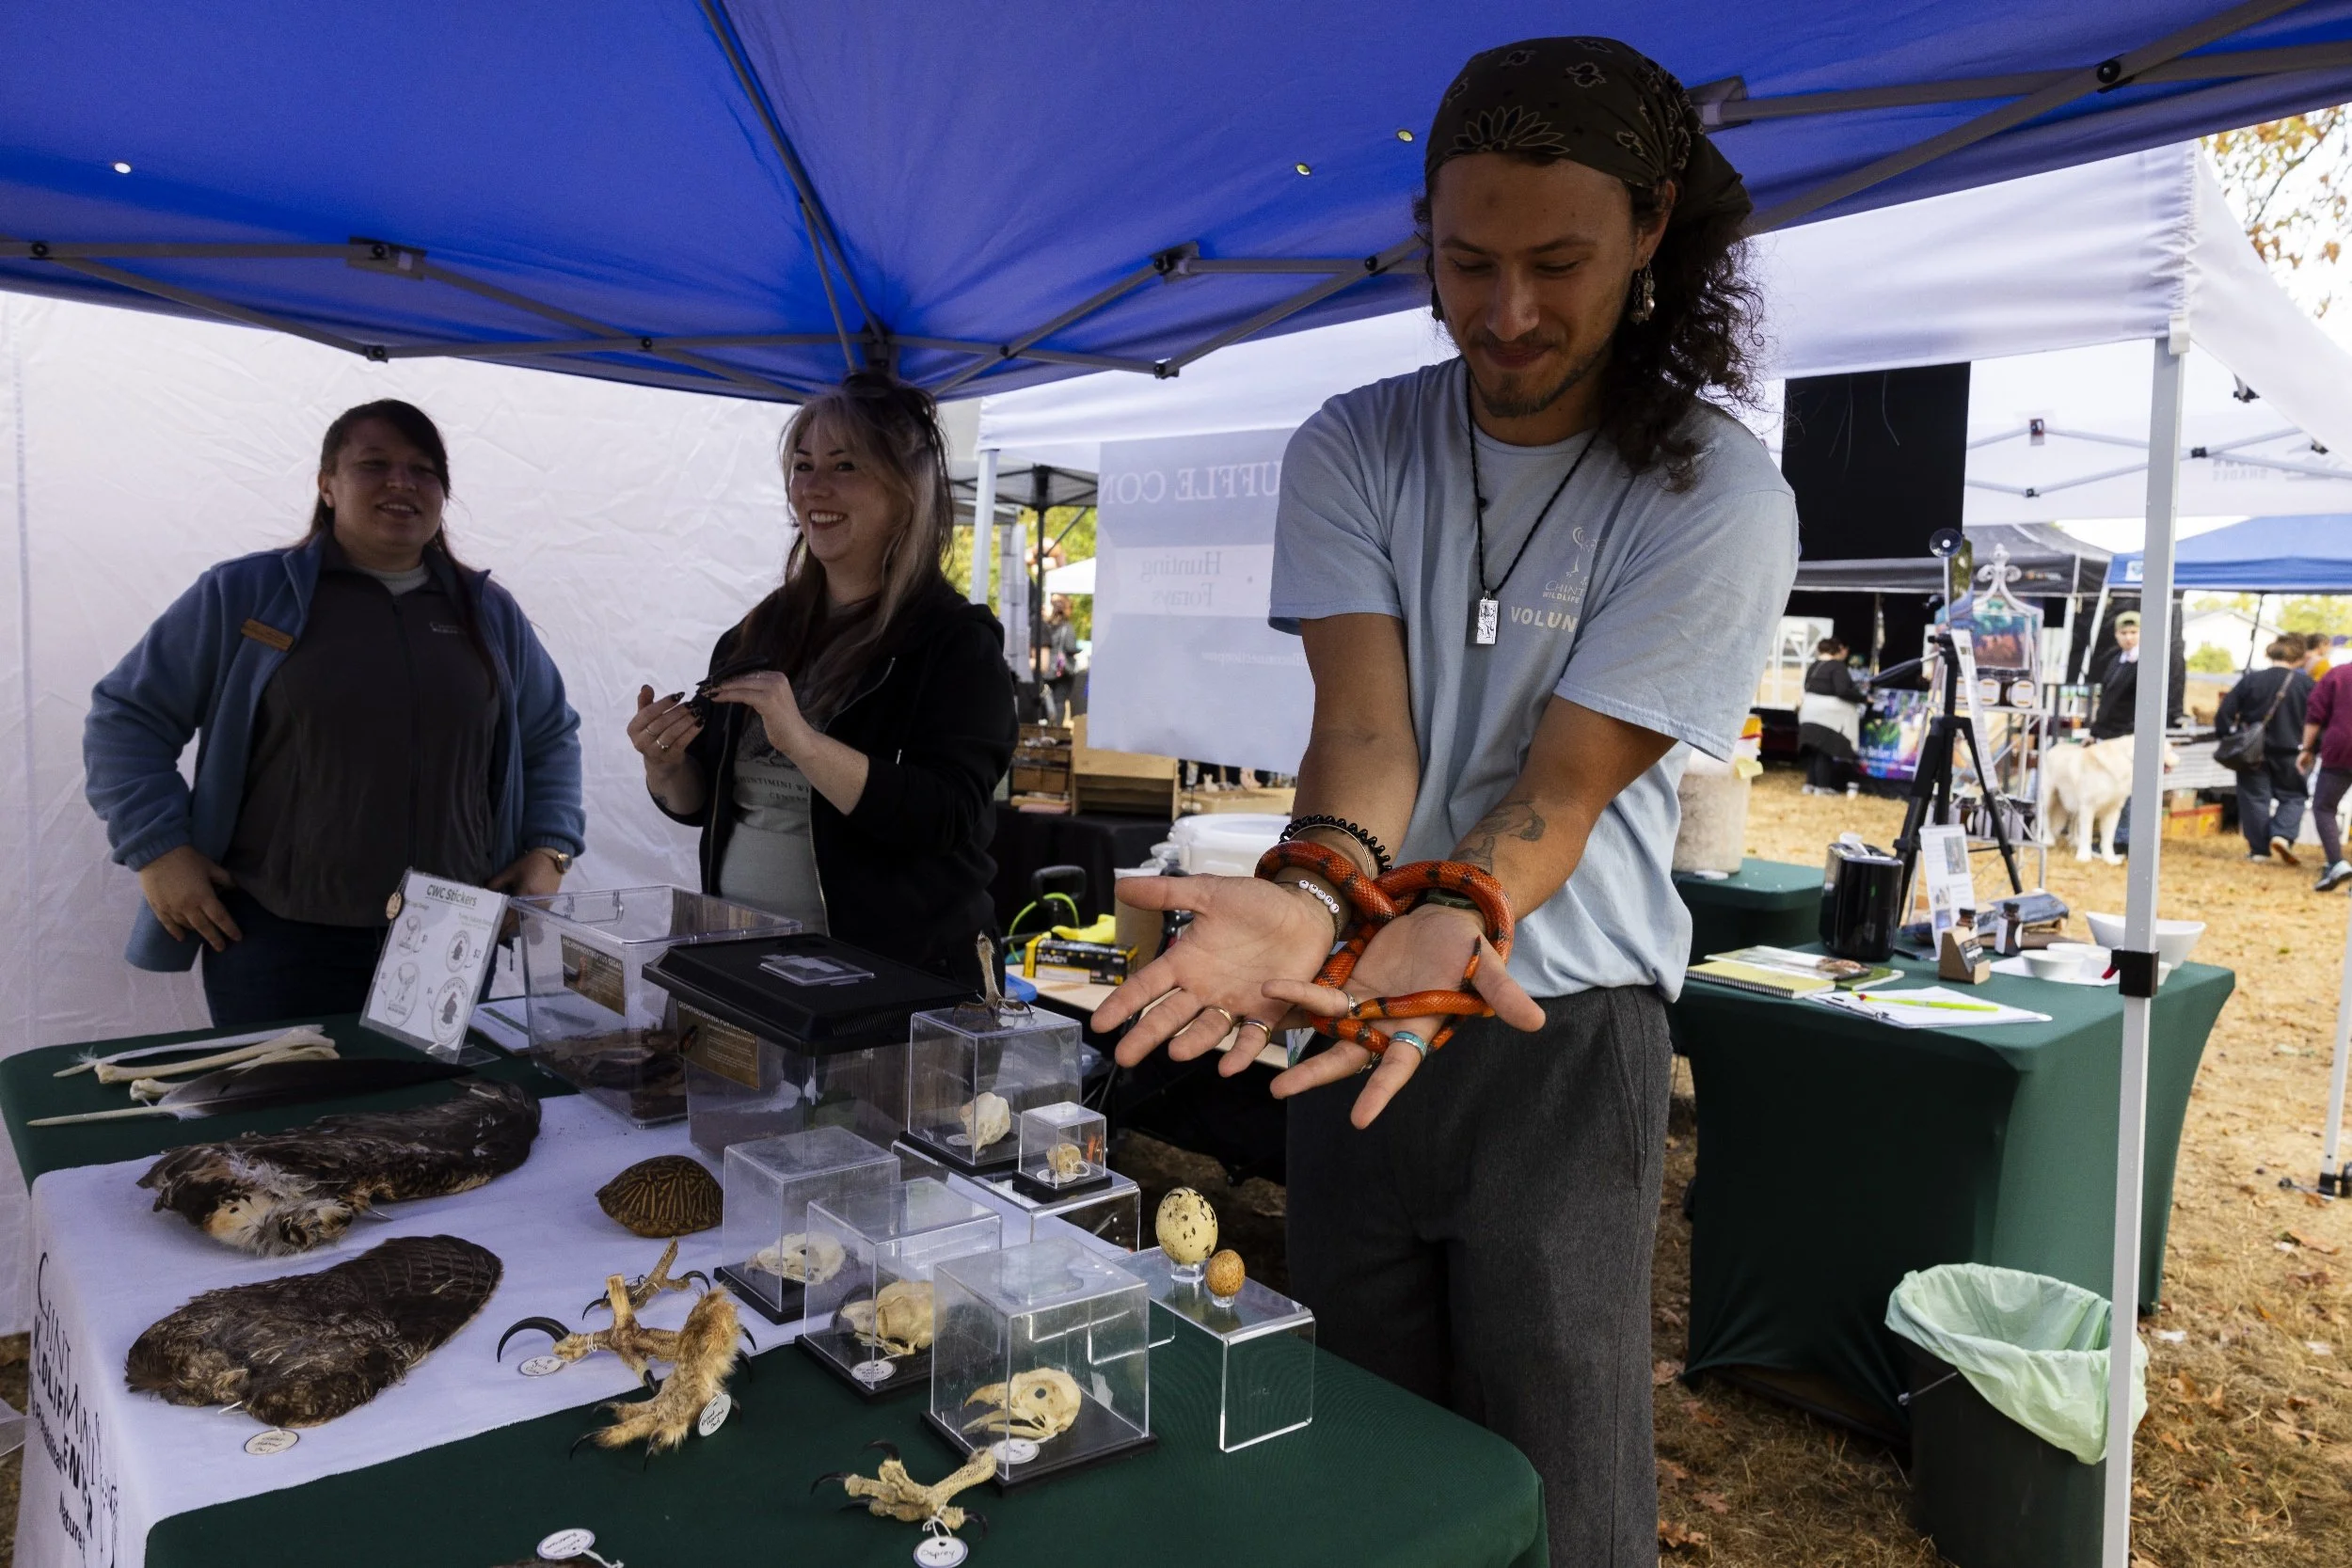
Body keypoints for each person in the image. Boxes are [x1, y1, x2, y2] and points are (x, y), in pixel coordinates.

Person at [1093, 39, 1796, 1562]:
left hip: (1567, 1030)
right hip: (1353, 1011)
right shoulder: (1357, 443)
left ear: (1656, 227)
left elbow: (1564, 788)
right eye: (1467, 261)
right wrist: (1312, 899)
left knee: (1558, 1463)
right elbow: (1365, 738)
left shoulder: (1715, 496)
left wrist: (1455, 910)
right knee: (1358, 1434)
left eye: (1559, 262)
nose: (1509, 312)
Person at [85, 400, 585, 1027]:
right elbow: (126, 716)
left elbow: (551, 738)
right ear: (326, 485)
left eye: (424, 470)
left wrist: (551, 848)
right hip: (278, 937)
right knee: (289, 1119)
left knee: (432, 1116)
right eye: (373, 464)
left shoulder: (486, 612)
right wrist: (158, 849)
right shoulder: (247, 594)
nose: (401, 482)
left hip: (447, 931)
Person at [628, 373, 1015, 984]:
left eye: (845, 465)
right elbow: (702, 804)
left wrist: (803, 742)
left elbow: (947, 816)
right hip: (748, 972)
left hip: (889, 986)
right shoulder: (757, 633)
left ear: (904, 491)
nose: (815, 487)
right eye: (803, 465)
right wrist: (668, 767)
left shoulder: (954, 641)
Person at [2217, 636, 2314, 863]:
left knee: (2254, 798)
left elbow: (2225, 711)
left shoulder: (2252, 680)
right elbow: (2318, 718)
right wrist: (2313, 747)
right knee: (2294, 796)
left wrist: (2228, 737)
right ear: (2300, 658)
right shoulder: (2307, 685)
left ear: (2270, 653)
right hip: (2294, 750)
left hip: (2253, 751)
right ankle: (2282, 834)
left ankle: (2259, 850)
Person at [1797, 637, 1866, 794]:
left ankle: (1810, 785)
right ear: (1838, 650)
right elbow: (1841, 691)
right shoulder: (1837, 666)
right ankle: (1822, 787)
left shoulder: (1814, 666)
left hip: (1808, 712)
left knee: (1814, 749)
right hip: (1827, 716)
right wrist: (1863, 698)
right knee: (1825, 750)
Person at [2089, 610, 2142, 740]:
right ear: (2116, 634)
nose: (2128, 638)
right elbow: (2106, 699)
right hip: (2108, 735)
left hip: (2129, 737)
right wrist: (2094, 733)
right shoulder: (2115, 660)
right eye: (2123, 633)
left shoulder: (2146, 664)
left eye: (2133, 632)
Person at [1039, 594, 1081, 723]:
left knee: (1046, 700)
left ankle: (1045, 728)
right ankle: (1056, 731)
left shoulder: (1045, 626)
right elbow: (1071, 647)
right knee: (1060, 701)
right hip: (1062, 670)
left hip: (1046, 669)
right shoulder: (1067, 627)